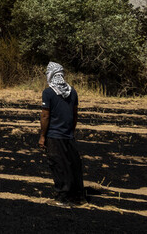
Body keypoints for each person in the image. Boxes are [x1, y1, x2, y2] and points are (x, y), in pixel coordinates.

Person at [38, 62, 85, 206]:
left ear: (50, 75)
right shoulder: (72, 92)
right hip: (68, 134)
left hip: (54, 135)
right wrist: (71, 131)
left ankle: (63, 198)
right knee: (72, 165)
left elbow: (45, 116)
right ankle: (78, 197)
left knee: (58, 165)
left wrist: (42, 136)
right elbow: (75, 114)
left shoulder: (48, 93)